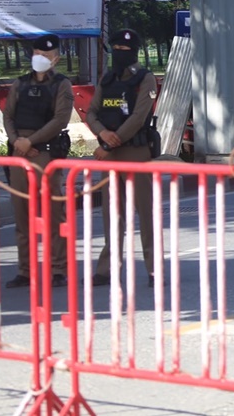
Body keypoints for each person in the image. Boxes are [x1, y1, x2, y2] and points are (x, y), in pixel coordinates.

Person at [87, 29, 159, 287]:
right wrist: (102, 133)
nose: (120, 53)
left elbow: (139, 117)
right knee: (112, 214)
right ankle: (107, 269)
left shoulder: (145, 79)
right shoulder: (107, 80)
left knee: (146, 213)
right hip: (110, 155)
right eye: (116, 49)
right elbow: (91, 113)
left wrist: (109, 141)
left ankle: (154, 269)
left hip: (136, 153)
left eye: (125, 50)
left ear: (135, 52)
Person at [3, 33, 74, 289]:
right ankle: (26, 270)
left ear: (56, 59)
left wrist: (30, 142)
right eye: (36, 53)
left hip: (45, 153)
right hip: (20, 154)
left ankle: (58, 269)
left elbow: (60, 120)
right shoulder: (20, 84)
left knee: (53, 213)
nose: (40, 58)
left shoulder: (62, 85)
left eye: (46, 55)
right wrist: (17, 141)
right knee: (22, 213)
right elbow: (8, 116)